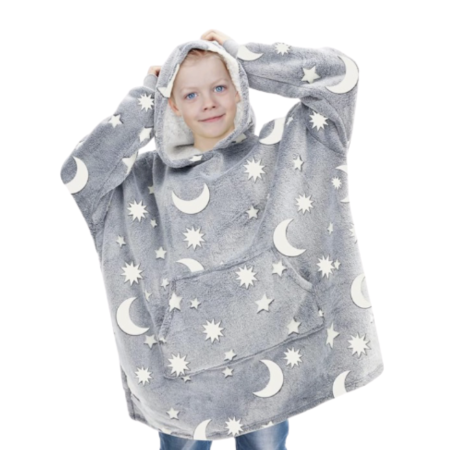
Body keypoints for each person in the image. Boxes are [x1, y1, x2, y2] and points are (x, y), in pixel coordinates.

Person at [60, 28, 383, 447]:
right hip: (184, 373)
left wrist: (244, 56)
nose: (208, 102)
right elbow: (80, 172)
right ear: (172, 104)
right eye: (190, 94)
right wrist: (145, 100)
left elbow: (340, 77)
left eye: (219, 86)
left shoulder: (282, 148)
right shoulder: (141, 183)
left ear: (239, 87)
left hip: (273, 352)